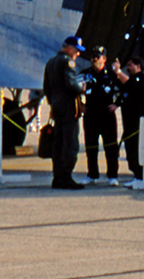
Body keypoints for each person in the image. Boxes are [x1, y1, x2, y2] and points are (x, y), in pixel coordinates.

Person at [43, 35, 86, 189]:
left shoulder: (51, 62)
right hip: (69, 107)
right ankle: (66, 176)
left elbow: (46, 87)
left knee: (58, 142)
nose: (78, 54)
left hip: (56, 106)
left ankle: (58, 176)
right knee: (70, 142)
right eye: (76, 50)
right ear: (69, 48)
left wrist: (52, 104)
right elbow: (70, 84)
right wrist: (82, 88)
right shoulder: (67, 62)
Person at [81, 46, 122, 185]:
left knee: (110, 146)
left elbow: (125, 89)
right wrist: (80, 105)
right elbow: (72, 89)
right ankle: (92, 174)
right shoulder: (85, 74)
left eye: (97, 57)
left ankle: (112, 176)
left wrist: (117, 104)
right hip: (91, 114)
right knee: (91, 146)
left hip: (107, 114)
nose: (94, 59)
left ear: (104, 59)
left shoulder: (111, 74)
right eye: (93, 57)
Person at [113, 56, 144, 184]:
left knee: (137, 148)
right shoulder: (130, 82)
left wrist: (119, 72)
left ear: (138, 66)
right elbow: (123, 91)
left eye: (130, 66)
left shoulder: (141, 79)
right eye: (127, 66)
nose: (128, 68)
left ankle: (140, 176)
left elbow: (130, 85)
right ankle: (136, 174)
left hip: (138, 122)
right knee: (130, 149)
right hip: (128, 122)